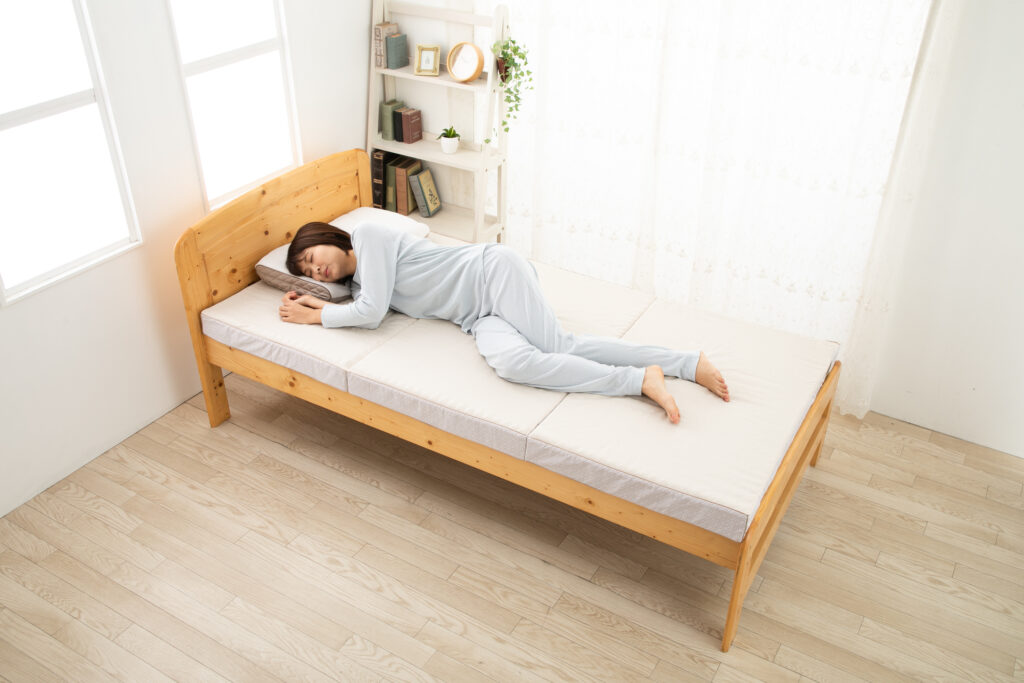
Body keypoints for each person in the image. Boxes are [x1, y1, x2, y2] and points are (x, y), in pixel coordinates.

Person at [278, 221, 729, 423]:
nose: (317, 270)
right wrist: (320, 304)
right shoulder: (360, 289)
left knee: (560, 345)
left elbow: (371, 314)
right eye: (309, 272)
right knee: (515, 364)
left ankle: (687, 363)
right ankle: (639, 379)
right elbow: (366, 307)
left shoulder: (367, 236)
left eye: (313, 257)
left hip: (491, 271)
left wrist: (315, 316)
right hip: (478, 316)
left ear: (328, 237)